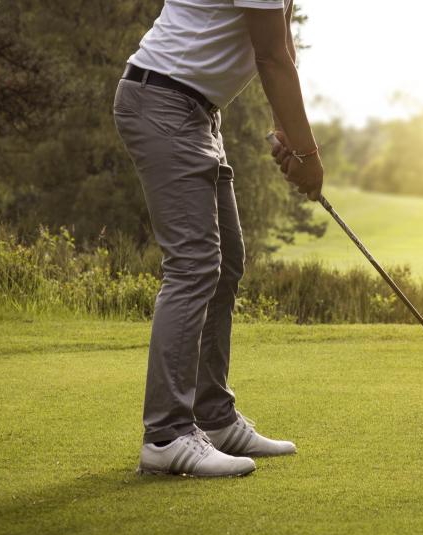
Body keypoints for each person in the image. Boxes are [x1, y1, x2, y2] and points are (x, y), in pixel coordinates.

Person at [113, 0, 323, 477]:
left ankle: (215, 417)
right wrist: (307, 153)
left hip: (194, 110)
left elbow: (280, 45)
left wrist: (286, 131)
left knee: (225, 262)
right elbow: (271, 58)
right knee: (192, 265)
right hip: (164, 103)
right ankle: (166, 435)